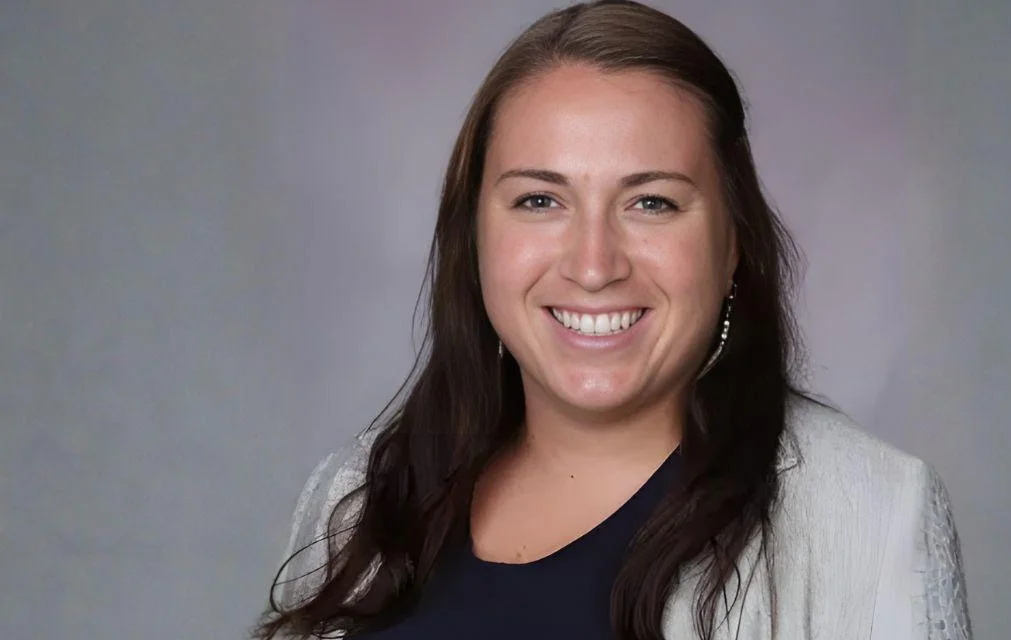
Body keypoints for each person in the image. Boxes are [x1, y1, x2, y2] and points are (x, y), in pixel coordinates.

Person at [253, 1, 971, 638]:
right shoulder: (355, 503)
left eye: (651, 202)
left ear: (733, 244)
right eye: (540, 200)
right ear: (475, 240)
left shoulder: (873, 519)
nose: (594, 265)